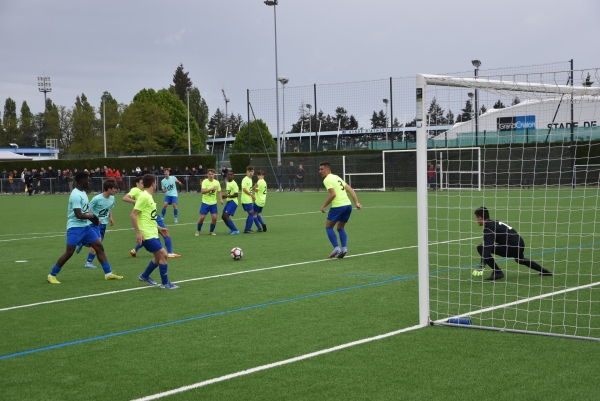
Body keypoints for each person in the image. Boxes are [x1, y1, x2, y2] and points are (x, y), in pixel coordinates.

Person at [46, 171, 122, 284]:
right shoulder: (76, 195)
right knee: (69, 252)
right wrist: (93, 217)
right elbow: (78, 214)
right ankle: (51, 275)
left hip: (86, 227)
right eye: (88, 180)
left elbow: (85, 211)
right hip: (75, 227)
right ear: (82, 181)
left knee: (99, 247)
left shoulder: (83, 192)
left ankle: (108, 273)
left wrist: (93, 219)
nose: (89, 182)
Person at [474, 206, 552, 281]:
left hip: (511, 247)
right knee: (520, 260)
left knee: (481, 247)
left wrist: (482, 264)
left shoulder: (488, 228)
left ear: (480, 217)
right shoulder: (495, 222)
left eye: (476, 218)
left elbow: (488, 246)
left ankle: (497, 272)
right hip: (520, 244)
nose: (476, 220)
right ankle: (544, 271)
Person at [131, 174, 179, 289]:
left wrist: (159, 228)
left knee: (158, 258)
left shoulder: (148, 196)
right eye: (155, 182)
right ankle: (165, 283)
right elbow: (133, 215)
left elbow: (149, 217)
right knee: (163, 254)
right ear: (153, 184)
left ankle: (144, 276)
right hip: (146, 234)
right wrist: (138, 233)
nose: (156, 184)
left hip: (152, 231)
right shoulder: (144, 197)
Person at [124, 176, 181, 259]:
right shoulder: (137, 191)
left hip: (149, 214)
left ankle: (135, 249)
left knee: (148, 237)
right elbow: (125, 198)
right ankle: (170, 252)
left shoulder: (145, 193)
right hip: (148, 215)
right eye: (141, 183)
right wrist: (136, 202)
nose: (143, 184)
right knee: (163, 233)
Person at [319, 161, 362, 258]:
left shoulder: (327, 180)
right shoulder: (336, 177)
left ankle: (336, 248)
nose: (320, 171)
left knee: (328, 227)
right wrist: (356, 203)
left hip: (338, 206)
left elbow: (333, 194)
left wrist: (324, 205)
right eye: (319, 169)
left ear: (327, 169)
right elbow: (350, 189)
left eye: (322, 169)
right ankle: (344, 248)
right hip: (348, 206)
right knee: (340, 227)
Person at [77, 179, 118, 268]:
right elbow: (88, 209)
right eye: (114, 188)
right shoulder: (97, 198)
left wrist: (111, 217)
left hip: (104, 224)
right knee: (98, 242)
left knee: (96, 243)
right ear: (109, 189)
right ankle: (88, 262)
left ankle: (82, 242)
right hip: (94, 223)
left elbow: (110, 207)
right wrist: (95, 219)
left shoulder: (112, 198)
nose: (116, 190)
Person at [195, 168, 223, 236]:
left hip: (213, 203)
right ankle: (198, 230)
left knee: (214, 217)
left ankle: (211, 231)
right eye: (209, 174)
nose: (211, 175)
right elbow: (202, 191)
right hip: (205, 203)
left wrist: (221, 199)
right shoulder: (205, 182)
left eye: (212, 174)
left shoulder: (217, 182)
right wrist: (211, 189)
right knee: (202, 218)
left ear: (214, 175)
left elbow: (219, 191)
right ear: (207, 175)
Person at [222, 170, 241, 235]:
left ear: (233, 176)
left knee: (225, 216)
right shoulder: (228, 183)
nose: (229, 176)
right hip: (229, 201)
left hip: (233, 202)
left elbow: (236, 194)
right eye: (228, 174)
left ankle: (235, 230)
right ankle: (232, 229)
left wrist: (226, 196)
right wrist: (225, 196)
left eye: (231, 175)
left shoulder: (234, 184)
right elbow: (229, 192)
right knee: (223, 216)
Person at [241, 165, 256, 233]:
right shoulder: (245, 179)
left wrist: (253, 187)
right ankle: (247, 229)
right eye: (249, 171)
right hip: (246, 200)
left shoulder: (250, 179)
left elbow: (249, 189)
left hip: (248, 199)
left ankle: (247, 229)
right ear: (246, 172)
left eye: (252, 171)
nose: (250, 173)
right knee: (251, 214)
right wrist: (252, 195)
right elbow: (244, 189)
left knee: (251, 214)